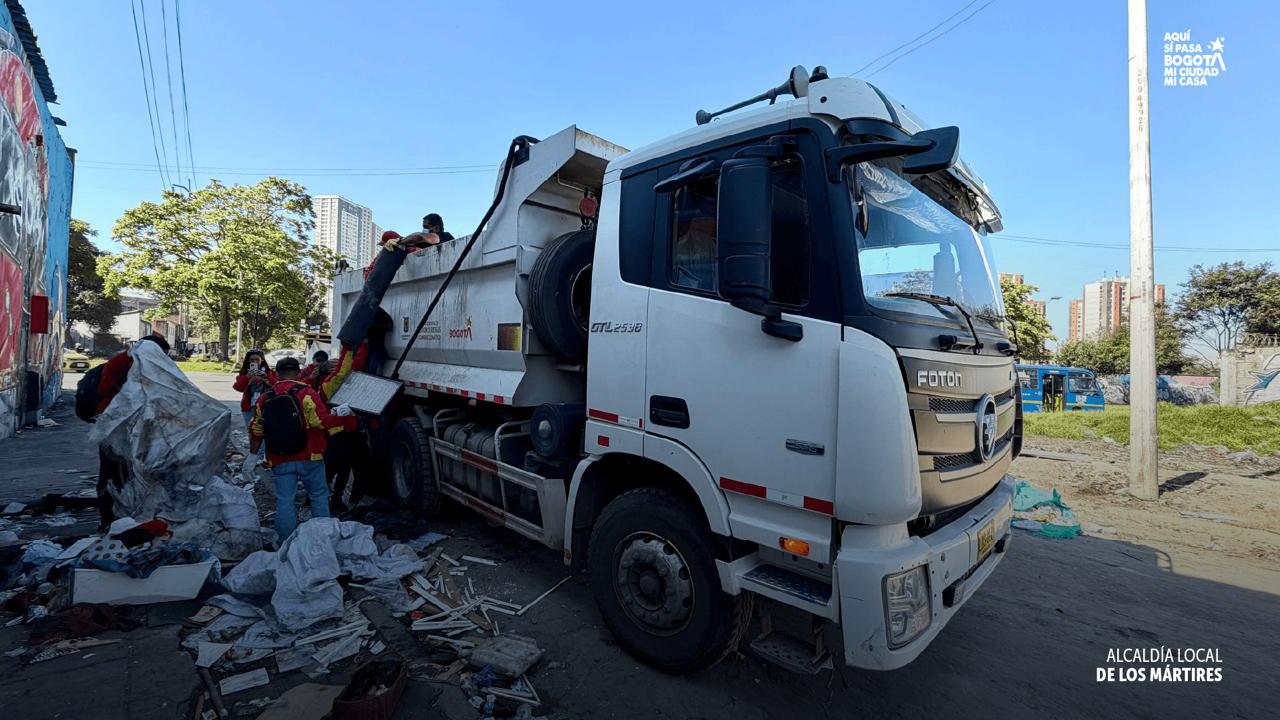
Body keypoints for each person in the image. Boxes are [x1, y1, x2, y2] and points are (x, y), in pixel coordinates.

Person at [248, 357, 356, 542]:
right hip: (310, 456)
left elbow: (256, 429)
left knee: (285, 501)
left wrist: (251, 456)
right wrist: (347, 419)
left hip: (279, 458)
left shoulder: (265, 398)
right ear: (298, 374)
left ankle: (285, 543)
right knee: (318, 496)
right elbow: (320, 421)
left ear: (277, 375)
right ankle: (321, 540)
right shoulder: (307, 393)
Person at [94, 333, 171, 530]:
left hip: (124, 426)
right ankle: (111, 518)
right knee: (115, 472)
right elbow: (108, 389)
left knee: (126, 471)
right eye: (163, 354)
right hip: (116, 427)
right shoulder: (128, 363)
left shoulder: (126, 360)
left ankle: (124, 515)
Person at [233, 349, 275, 432]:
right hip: (249, 408)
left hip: (266, 407)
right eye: (252, 360)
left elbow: (276, 386)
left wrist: (265, 378)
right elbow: (238, 388)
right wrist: (247, 377)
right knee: (251, 431)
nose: (255, 362)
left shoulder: (269, 373)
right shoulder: (245, 373)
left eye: (257, 359)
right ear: (248, 361)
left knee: (266, 432)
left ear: (262, 360)